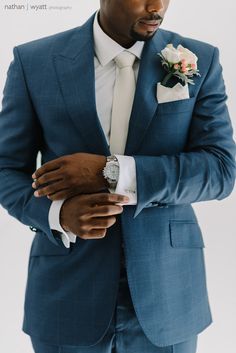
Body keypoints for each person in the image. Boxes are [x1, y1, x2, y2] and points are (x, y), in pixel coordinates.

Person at [0, 1, 235, 352]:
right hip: (67, 294)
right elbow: (6, 168)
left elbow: (220, 169)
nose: (156, 6)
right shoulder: (35, 61)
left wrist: (111, 171)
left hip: (169, 297)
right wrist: (57, 215)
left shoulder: (199, 58)